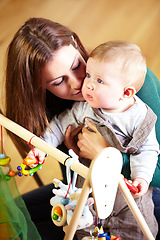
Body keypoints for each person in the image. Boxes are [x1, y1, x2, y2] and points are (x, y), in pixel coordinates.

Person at [4, 17, 160, 239]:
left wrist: (105, 155)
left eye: (77, 66)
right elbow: (57, 132)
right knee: (15, 220)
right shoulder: (78, 107)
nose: (79, 83)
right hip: (91, 197)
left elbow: (150, 155)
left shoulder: (130, 89)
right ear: (39, 87)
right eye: (58, 82)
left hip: (140, 196)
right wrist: (43, 147)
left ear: (77, 45)